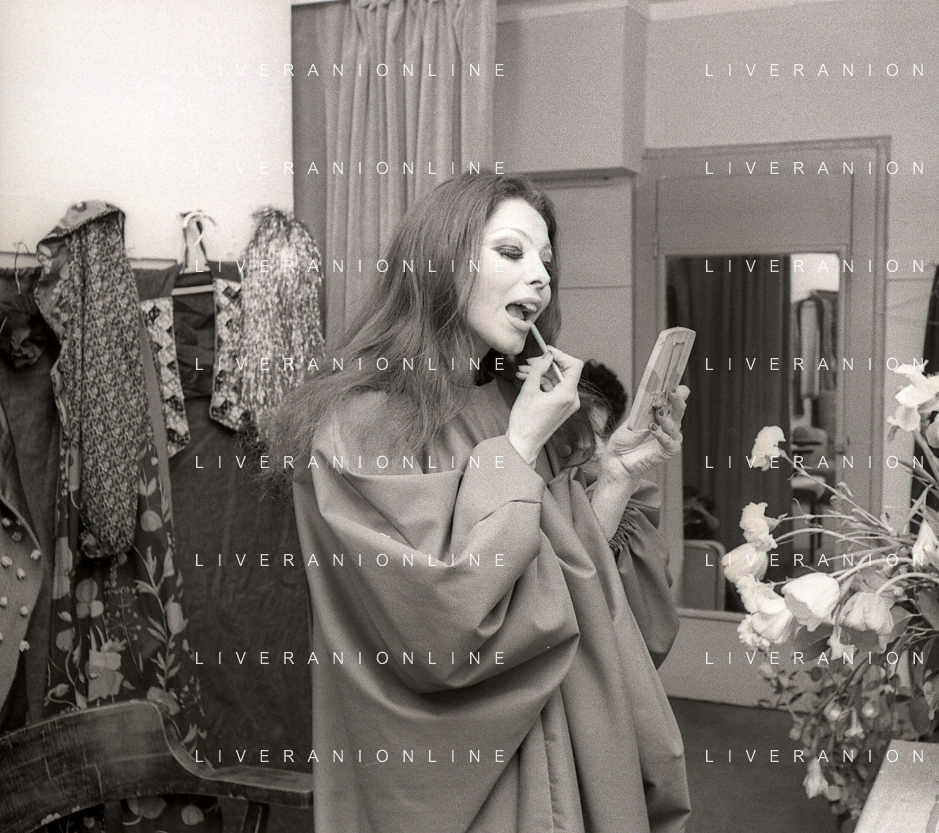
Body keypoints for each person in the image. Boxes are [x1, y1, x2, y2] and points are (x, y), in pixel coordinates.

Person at [262, 173, 691, 833]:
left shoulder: (516, 405)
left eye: (546, 261)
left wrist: (616, 477)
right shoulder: (359, 428)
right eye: (511, 252)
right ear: (440, 261)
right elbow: (440, 627)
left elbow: (564, 580)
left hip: (563, 747)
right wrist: (517, 447)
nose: (540, 277)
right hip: (466, 779)